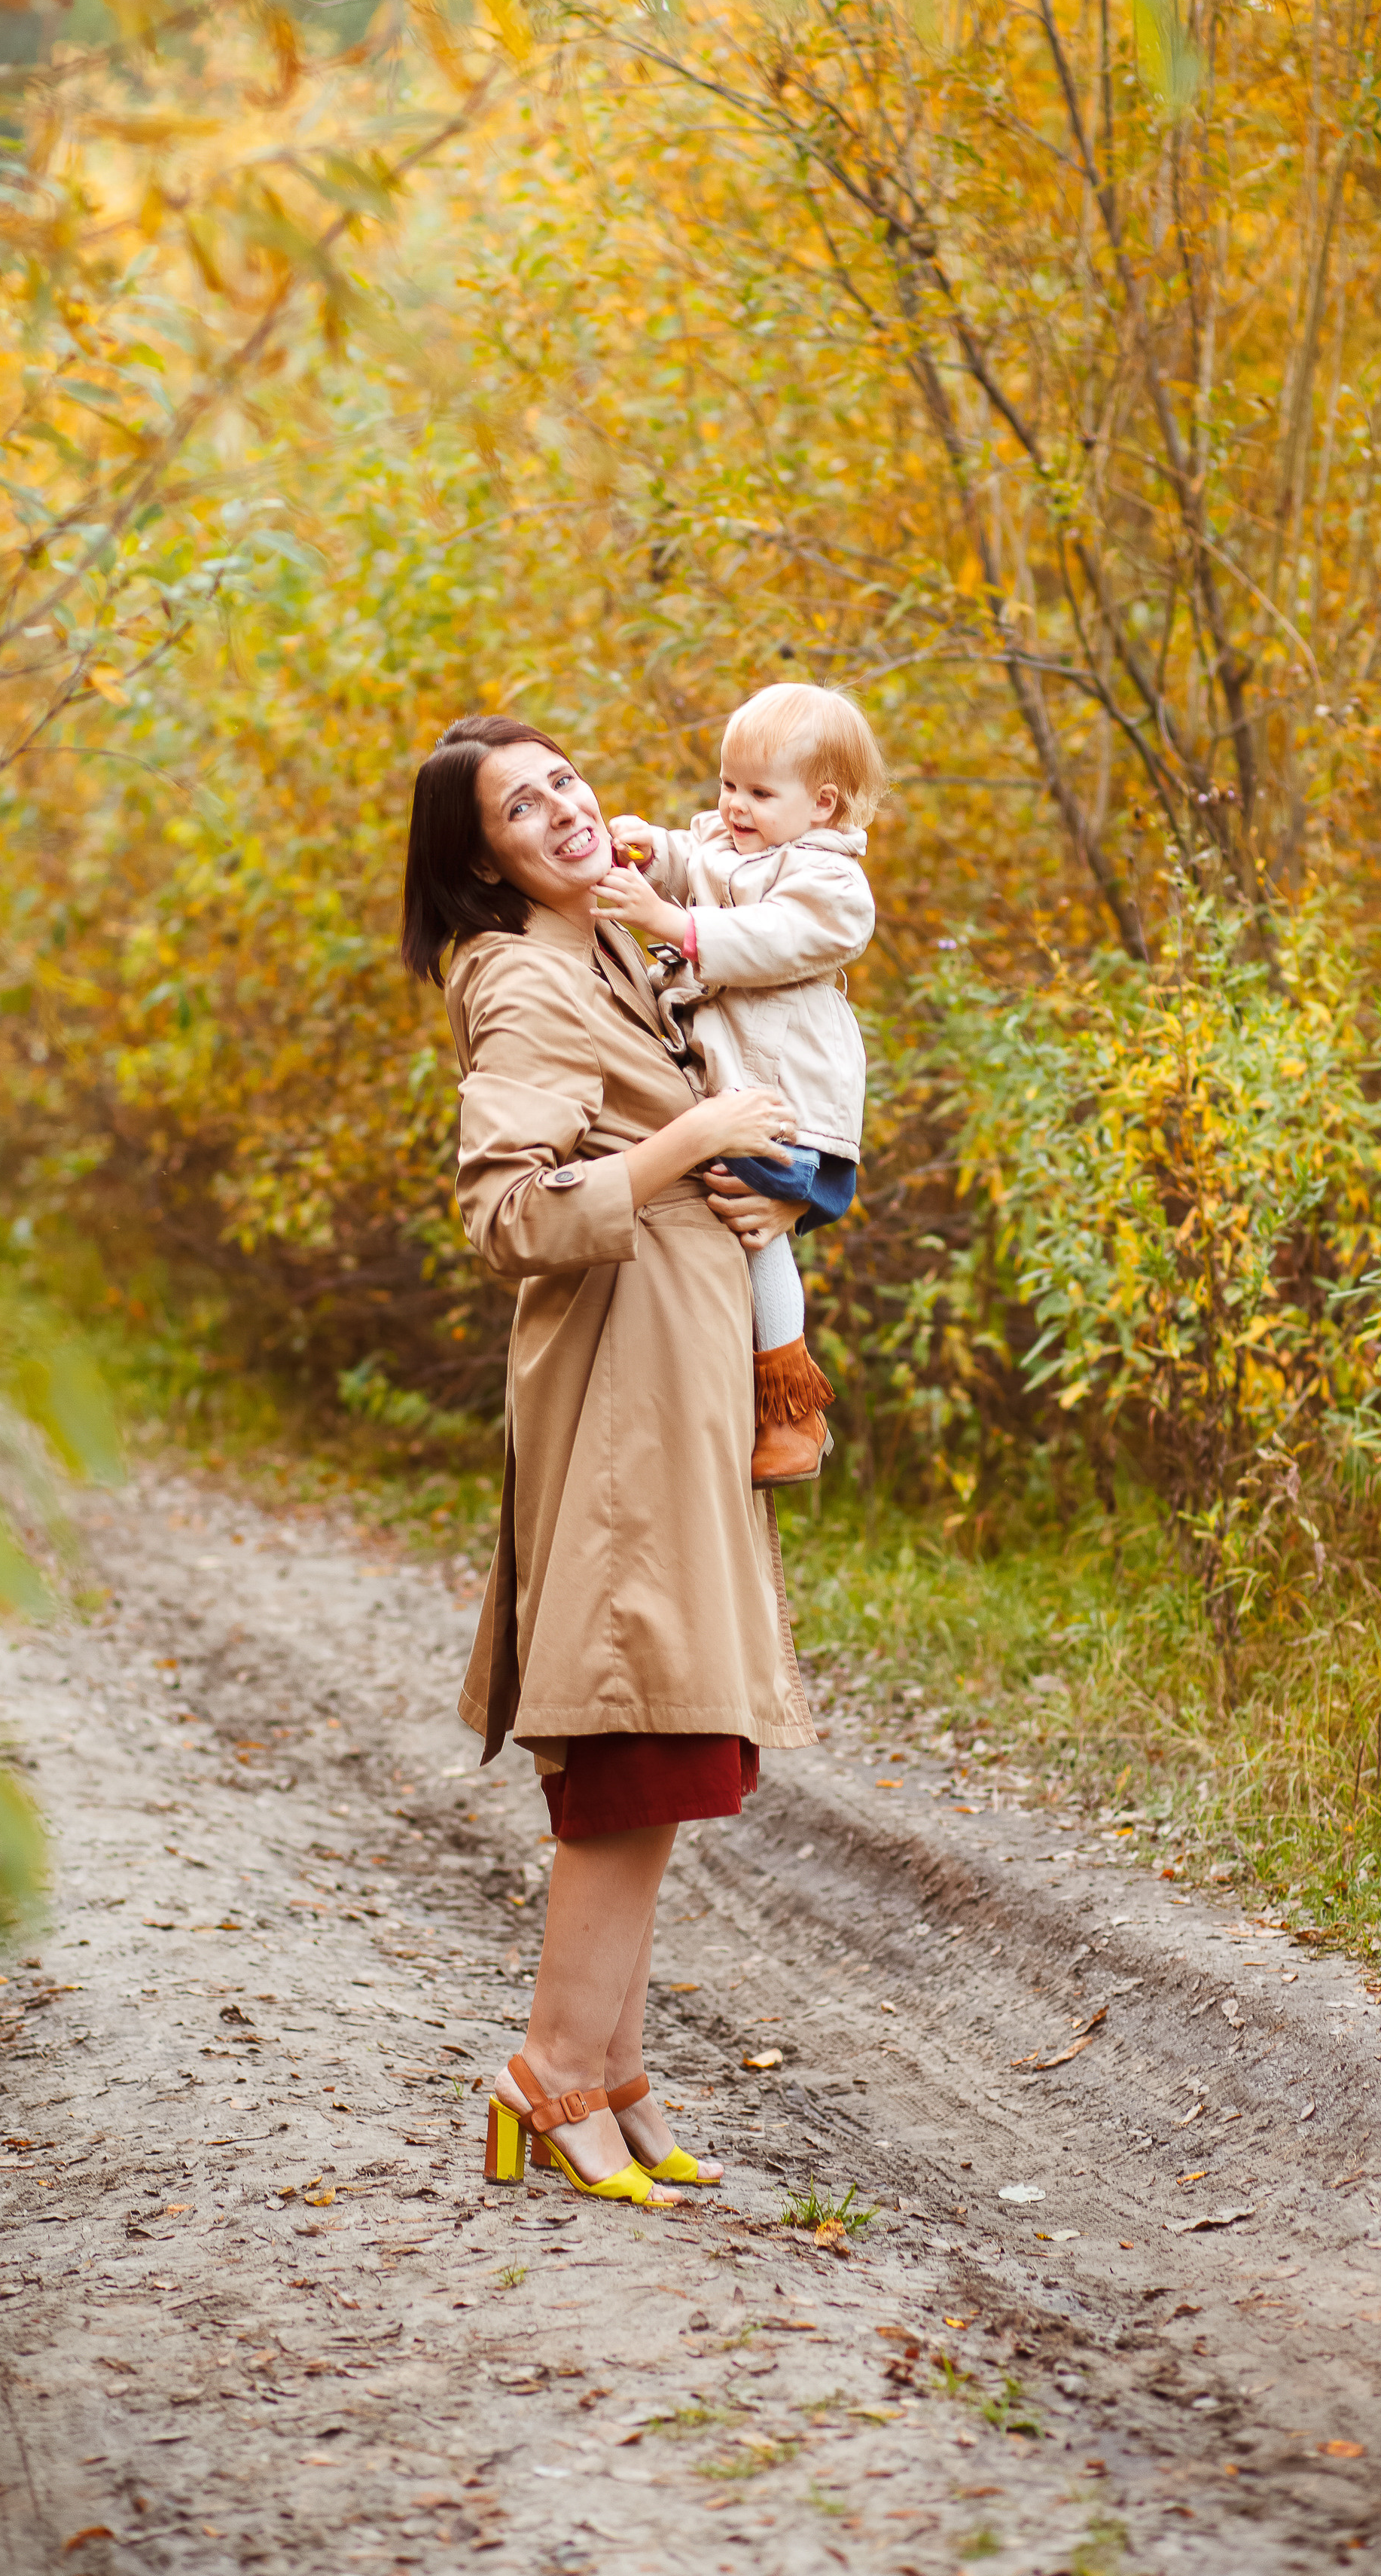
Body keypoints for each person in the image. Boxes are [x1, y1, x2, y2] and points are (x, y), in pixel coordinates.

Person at [399, 713, 816, 2211]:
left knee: (672, 1730)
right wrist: (681, 1144)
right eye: (523, 809)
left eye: (564, 779)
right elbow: (508, 1212)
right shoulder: (520, 977)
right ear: (481, 859)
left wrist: (747, 1192)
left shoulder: (612, 947)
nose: (565, 810)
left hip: (681, 1364)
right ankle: (552, 2075)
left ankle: (612, 2073)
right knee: (636, 1726)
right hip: (624, 1383)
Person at [601, 682, 886, 1486]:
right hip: (733, 1080)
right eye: (728, 785)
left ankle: (792, 1405)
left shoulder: (833, 886)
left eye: (759, 792)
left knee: (755, 1223)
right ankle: (729, 1383)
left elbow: (768, 937)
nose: (735, 806)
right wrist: (651, 850)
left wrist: (663, 920)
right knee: (727, 1208)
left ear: (822, 805)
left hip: (787, 1094)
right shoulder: (736, 845)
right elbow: (698, 862)